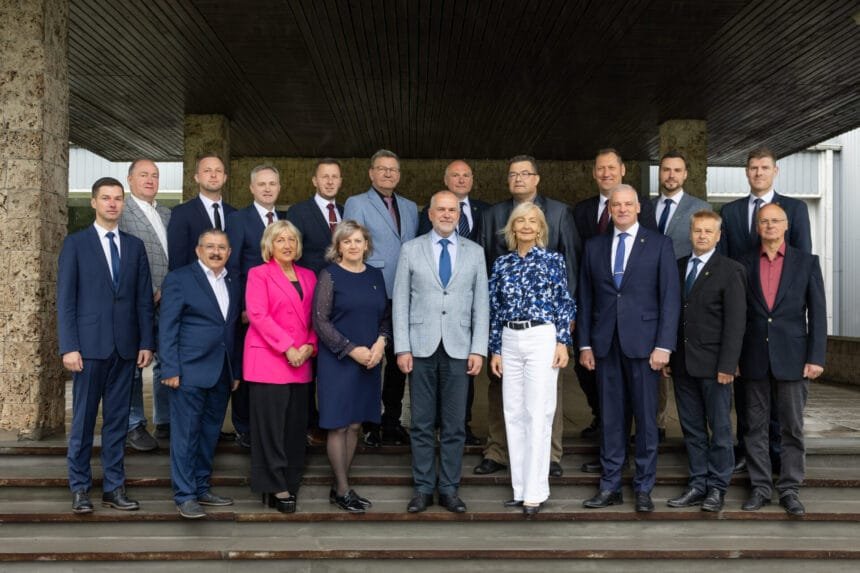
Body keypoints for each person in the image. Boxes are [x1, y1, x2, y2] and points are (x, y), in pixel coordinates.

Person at [476, 154, 579, 479]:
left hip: (545, 324)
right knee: (500, 387)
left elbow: (570, 266)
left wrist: (565, 322)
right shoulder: (493, 214)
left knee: (547, 390)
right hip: (506, 323)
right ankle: (498, 450)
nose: (518, 178)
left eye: (525, 173)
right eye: (513, 174)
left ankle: (550, 455)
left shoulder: (559, 212)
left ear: (537, 178)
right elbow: (484, 265)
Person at [578, 184, 680, 513]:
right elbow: (586, 298)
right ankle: (610, 485)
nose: (621, 209)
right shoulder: (594, 246)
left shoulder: (660, 244)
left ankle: (643, 487)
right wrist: (585, 344)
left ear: (638, 208)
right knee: (610, 418)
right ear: (609, 210)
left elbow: (670, 299)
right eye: (615, 205)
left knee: (646, 421)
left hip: (646, 347)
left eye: (627, 204)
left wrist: (664, 345)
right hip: (605, 345)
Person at [58, 177, 155, 514]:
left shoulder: (135, 246)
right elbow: (66, 300)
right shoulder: (76, 244)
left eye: (117, 198)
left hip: (125, 349)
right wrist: (69, 346)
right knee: (83, 422)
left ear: (123, 203)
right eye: (106, 198)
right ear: (93, 202)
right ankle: (80, 489)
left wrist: (146, 341)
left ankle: (114, 488)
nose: (112, 203)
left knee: (117, 423)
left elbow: (143, 300)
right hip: (87, 349)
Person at [717, 146, 812, 474]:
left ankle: (778, 454)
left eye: (764, 167)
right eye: (753, 168)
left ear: (775, 171)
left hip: (783, 321)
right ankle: (747, 451)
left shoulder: (795, 209)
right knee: (747, 394)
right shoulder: (730, 212)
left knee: (783, 403)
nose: (758, 173)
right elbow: (725, 263)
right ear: (746, 172)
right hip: (747, 319)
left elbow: (803, 262)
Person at [394, 191, 489, 514]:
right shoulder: (411, 249)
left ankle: (449, 488)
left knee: (454, 425)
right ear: (431, 214)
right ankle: (423, 488)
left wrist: (478, 349)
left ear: (458, 216)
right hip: (420, 346)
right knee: (421, 423)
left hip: (460, 348)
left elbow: (481, 304)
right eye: (441, 210)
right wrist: (402, 347)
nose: (447, 215)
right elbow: (401, 302)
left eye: (452, 210)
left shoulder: (475, 252)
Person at [572, 148, 657, 473]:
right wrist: (584, 335)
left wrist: (663, 343)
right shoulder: (587, 225)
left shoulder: (651, 228)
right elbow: (584, 281)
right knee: (608, 408)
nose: (621, 209)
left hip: (640, 334)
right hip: (602, 330)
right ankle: (610, 469)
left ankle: (642, 477)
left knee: (643, 411)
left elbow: (659, 285)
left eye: (612, 167)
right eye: (600, 168)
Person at [738, 203, 826, 516]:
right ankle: (760, 488)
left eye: (776, 220)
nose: (770, 226)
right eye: (764, 221)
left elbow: (817, 313)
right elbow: (738, 315)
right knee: (755, 428)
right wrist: (734, 358)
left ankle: (790, 489)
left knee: (792, 427)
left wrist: (816, 357)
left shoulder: (806, 262)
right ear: (757, 226)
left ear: (786, 225)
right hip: (753, 357)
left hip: (794, 357)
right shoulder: (743, 262)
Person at [487, 202, 574, 517]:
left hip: (541, 337)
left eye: (532, 221)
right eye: (520, 220)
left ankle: (536, 492)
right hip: (510, 338)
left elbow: (564, 303)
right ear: (512, 227)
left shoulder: (553, 260)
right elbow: (495, 308)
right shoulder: (502, 264)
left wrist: (563, 342)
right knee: (513, 413)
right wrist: (495, 349)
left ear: (540, 228)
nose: (526, 225)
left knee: (538, 412)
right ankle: (520, 489)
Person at [665, 210, 746, 513]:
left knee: (720, 430)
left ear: (718, 236)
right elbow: (672, 315)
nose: (702, 236)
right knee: (692, 430)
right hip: (683, 363)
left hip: (715, 367)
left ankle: (717, 488)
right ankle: (697, 484)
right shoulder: (678, 267)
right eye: (697, 230)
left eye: (708, 231)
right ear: (690, 233)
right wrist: (669, 354)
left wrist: (728, 365)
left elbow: (736, 323)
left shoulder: (730, 270)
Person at [159, 229, 241, 519]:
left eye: (221, 247)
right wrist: (170, 368)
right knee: (186, 435)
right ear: (198, 250)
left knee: (209, 434)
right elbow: (167, 326)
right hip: (188, 371)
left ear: (229, 252)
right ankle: (185, 495)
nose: (216, 252)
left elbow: (232, 329)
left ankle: (202, 487)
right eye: (210, 246)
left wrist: (235, 370)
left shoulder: (232, 280)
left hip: (221, 371)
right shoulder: (179, 279)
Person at [313, 220, 390, 513]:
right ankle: (343, 489)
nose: (353, 246)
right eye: (347, 241)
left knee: (356, 423)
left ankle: (339, 487)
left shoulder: (375, 275)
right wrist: (350, 349)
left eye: (358, 240)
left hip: (370, 359)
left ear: (366, 244)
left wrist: (381, 343)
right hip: (338, 360)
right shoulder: (330, 275)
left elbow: (385, 315)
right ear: (338, 247)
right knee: (339, 424)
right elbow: (320, 321)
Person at [343, 149, 418, 446]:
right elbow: (351, 247)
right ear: (371, 173)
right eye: (382, 168)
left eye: (393, 169)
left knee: (399, 360)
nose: (388, 173)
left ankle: (392, 421)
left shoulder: (410, 207)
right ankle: (370, 422)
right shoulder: (357, 203)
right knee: (371, 359)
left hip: (405, 294)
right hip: (372, 292)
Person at [243, 221, 318, 514]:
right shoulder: (258, 274)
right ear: (269, 245)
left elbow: (316, 318)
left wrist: (310, 346)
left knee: (295, 427)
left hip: (301, 360)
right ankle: (274, 485)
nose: (287, 245)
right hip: (270, 358)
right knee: (270, 429)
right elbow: (258, 315)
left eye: (291, 240)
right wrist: (288, 347)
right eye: (280, 240)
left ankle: (290, 479)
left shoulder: (309, 276)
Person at [417, 160, 490, 446]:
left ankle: (463, 425)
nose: (461, 179)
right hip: (429, 320)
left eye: (466, 175)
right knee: (427, 398)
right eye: (455, 175)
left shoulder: (485, 211)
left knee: (461, 387)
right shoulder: (426, 223)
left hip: (465, 311)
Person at [651, 151, 713, 445]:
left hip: (686, 292)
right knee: (656, 360)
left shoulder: (700, 208)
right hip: (649, 295)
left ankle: (701, 432)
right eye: (666, 169)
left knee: (684, 362)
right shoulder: (646, 207)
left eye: (677, 170)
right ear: (659, 173)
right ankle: (657, 421)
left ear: (686, 174)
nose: (671, 175)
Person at [286, 158, 346, 446]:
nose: (330, 181)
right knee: (310, 359)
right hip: (310, 296)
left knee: (334, 361)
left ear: (340, 181)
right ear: (314, 180)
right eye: (325, 176)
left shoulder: (347, 211)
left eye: (335, 177)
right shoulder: (298, 212)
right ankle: (311, 422)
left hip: (343, 298)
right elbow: (293, 253)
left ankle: (334, 419)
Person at [226, 164, 284, 449]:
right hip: (250, 312)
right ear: (251, 188)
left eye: (272, 183)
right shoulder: (238, 220)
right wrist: (242, 308)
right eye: (262, 184)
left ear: (279, 187)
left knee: (273, 368)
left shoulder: (285, 220)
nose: (267, 188)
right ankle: (244, 427)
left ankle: (269, 425)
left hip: (281, 311)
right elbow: (234, 268)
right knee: (246, 367)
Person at [119, 159, 171, 449]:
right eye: (143, 175)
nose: (150, 180)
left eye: (154, 175)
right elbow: (121, 256)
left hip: (167, 300)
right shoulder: (121, 211)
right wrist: (148, 290)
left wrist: (167, 288)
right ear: (130, 179)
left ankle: (165, 421)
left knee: (167, 360)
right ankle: (134, 424)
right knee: (135, 364)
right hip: (136, 301)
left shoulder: (166, 213)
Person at [167, 153, 236, 270]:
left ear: (224, 178)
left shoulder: (235, 214)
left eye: (218, 171)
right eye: (207, 171)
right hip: (193, 280)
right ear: (197, 177)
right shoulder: (181, 213)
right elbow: (176, 261)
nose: (213, 175)